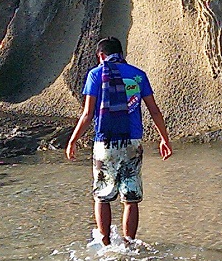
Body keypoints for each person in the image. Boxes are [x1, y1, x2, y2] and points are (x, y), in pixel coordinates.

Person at [66, 36, 172, 246]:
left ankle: (105, 244)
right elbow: (155, 111)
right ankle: (129, 244)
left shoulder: (96, 75)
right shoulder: (138, 75)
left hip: (104, 142)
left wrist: (73, 140)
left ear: (101, 55)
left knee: (102, 195)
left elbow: (87, 114)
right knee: (131, 197)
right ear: (121, 55)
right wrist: (164, 139)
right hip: (132, 141)